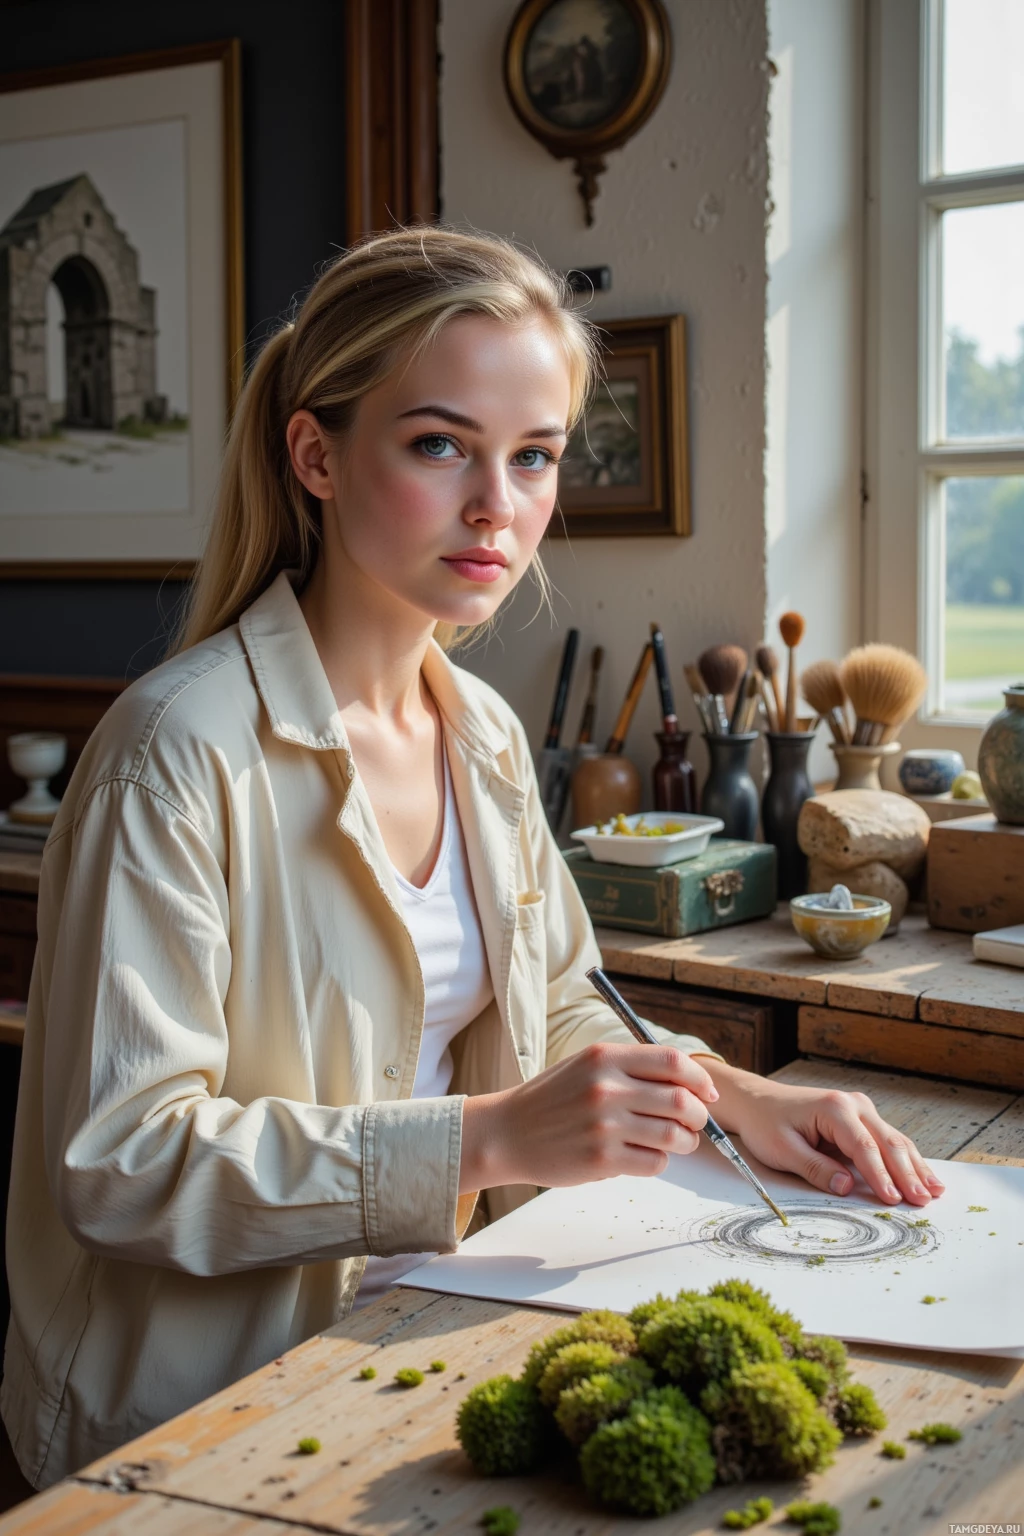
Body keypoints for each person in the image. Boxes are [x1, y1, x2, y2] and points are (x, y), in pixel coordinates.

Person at [1, 227, 943, 1489]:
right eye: (441, 444)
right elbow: (118, 1167)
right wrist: (485, 1141)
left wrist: (741, 1102)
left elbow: (555, 1010)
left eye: (536, 455)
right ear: (316, 453)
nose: (499, 505)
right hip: (194, 1425)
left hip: (433, 1347)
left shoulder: (485, 734)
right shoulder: (176, 752)